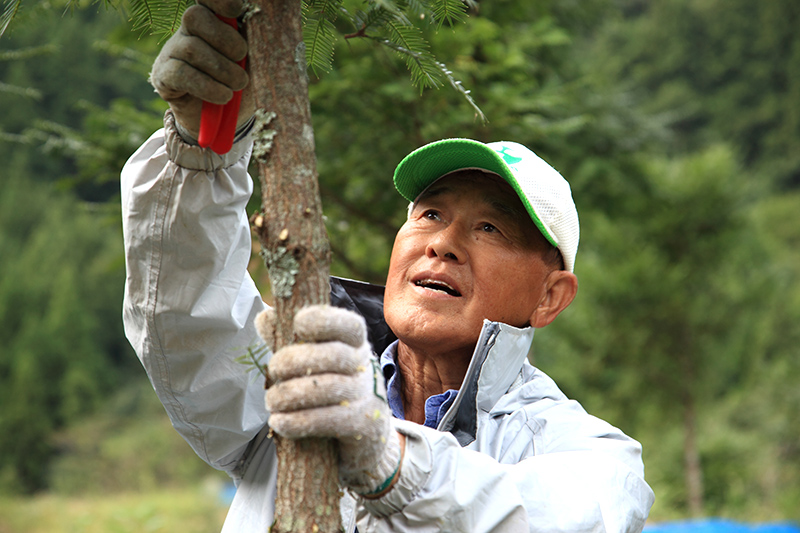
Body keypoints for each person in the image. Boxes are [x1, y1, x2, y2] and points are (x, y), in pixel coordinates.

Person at [121, 0, 655, 531]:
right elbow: (188, 315)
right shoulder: (299, 379)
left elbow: (553, 516)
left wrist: (390, 458)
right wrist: (197, 156)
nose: (442, 243)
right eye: (430, 213)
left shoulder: (590, 455)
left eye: (490, 228)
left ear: (551, 296)